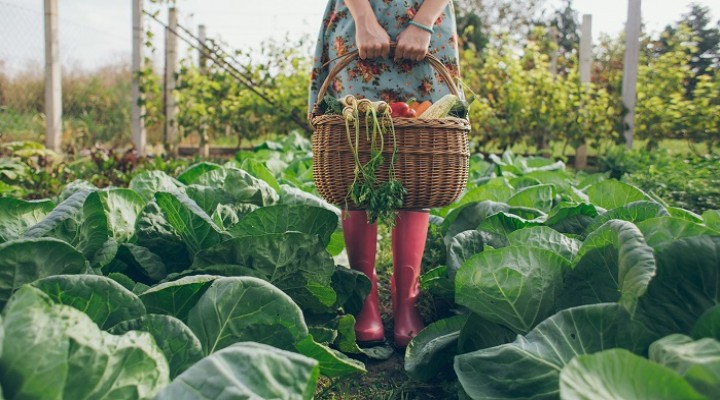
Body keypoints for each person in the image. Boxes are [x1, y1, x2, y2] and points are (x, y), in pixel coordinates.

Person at [308, 0, 461, 347]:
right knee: (355, 152)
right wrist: (363, 19)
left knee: (421, 153)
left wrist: (423, 23)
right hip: (360, 20)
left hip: (427, 21)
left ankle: (407, 299)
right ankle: (365, 297)